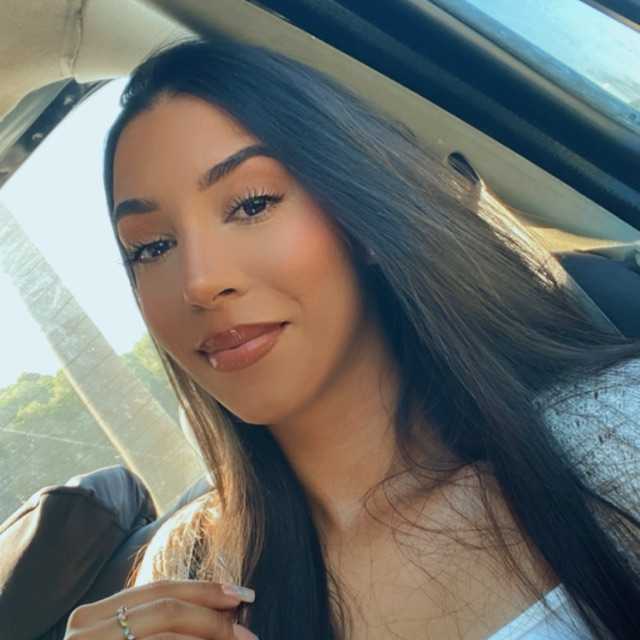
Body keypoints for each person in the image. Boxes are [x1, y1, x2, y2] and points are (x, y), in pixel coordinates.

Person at [65, 36, 640, 640]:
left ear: (356, 215)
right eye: (152, 247)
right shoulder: (186, 574)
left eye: (252, 205)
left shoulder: (611, 433)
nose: (199, 283)